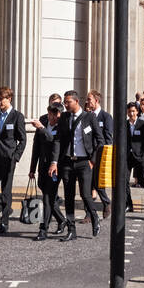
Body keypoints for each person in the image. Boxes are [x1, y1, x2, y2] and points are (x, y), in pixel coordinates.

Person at [55, 90, 102, 240]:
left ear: (76, 101)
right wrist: (55, 161)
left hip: (84, 162)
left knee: (85, 195)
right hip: (68, 162)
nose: (65, 104)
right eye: (65, 102)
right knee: (68, 196)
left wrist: (92, 160)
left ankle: (94, 218)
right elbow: (58, 140)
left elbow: (100, 140)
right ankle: (71, 230)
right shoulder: (64, 117)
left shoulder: (89, 117)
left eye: (68, 102)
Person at [0, 86, 28, 234]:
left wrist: (15, 157)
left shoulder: (17, 116)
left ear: (9, 99)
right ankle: (6, 208)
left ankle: (4, 223)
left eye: (1, 99)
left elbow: (23, 139)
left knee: (6, 190)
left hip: (9, 158)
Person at [28, 99, 68, 240]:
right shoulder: (44, 125)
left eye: (53, 116)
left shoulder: (62, 127)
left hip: (55, 167)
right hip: (42, 166)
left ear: (58, 116)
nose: (50, 118)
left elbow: (53, 140)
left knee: (47, 197)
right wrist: (32, 168)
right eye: (49, 115)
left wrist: (41, 128)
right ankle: (61, 219)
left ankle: (43, 229)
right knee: (47, 194)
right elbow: (36, 148)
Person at [85, 91, 114, 218]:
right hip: (87, 153)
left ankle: (106, 203)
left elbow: (108, 138)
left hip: (99, 154)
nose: (87, 102)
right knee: (87, 185)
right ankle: (89, 214)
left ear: (96, 101)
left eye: (89, 99)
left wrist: (101, 157)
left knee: (97, 183)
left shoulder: (106, 117)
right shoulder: (87, 116)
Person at [124, 102, 144, 211]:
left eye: (133, 111)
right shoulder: (124, 124)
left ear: (137, 112)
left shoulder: (143, 124)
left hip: (140, 156)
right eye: (129, 111)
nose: (131, 113)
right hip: (128, 156)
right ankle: (129, 204)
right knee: (124, 181)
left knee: (142, 179)